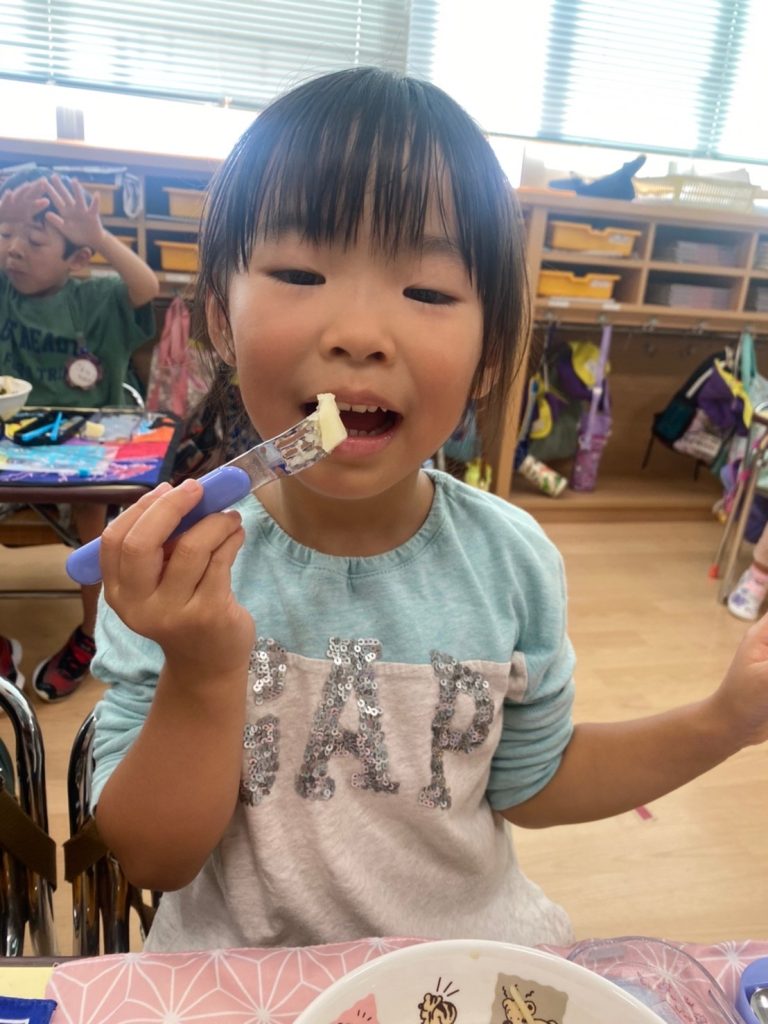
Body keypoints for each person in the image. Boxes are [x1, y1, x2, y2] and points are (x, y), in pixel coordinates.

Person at [89, 67, 768, 953]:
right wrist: (202, 667)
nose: (359, 334)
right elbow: (153, 858)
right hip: (250, 985)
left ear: (491, 357)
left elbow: (532, 782)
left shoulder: (511, 560)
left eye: (428, 292)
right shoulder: (176, 571)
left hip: (458, 970)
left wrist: (726, 720)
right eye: (300, 272)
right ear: (221, 318)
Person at [0, 169, 159, 699]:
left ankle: (92, 633)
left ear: (77, 260)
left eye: (34, 241)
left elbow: (146, 287)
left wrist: (100, 237)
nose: (15, 250)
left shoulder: (98, 299)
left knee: (94, 523)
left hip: (88, 439)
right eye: (6, 235)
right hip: (11, 436)